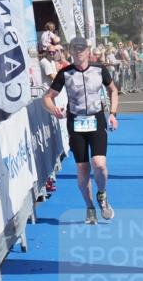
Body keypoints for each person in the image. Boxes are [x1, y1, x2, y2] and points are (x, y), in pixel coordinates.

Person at [42, 36, 118, 224]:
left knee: (99, 164)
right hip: (76, 123)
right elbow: (47, 97)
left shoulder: (99, 69)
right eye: (75, 49)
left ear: (88, 51)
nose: (79, 52)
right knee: (83, 168)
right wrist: (54, 110)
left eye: (82, 48)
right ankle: (90, 207)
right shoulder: (65, 73)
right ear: (71, 52)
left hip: (96, 119)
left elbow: (113, 90)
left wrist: (113, 114)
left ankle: (102, 193)